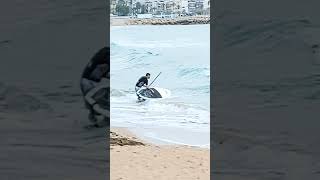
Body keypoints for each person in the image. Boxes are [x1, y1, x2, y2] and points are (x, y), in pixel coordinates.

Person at [80, 47, 109, 126]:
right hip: (90, 83)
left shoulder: (101, 55)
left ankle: (94, 119)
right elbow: (101, 71)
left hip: (84, 81)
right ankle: (105, 121)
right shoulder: (107, 57)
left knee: (94, 103)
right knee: (103, 103)